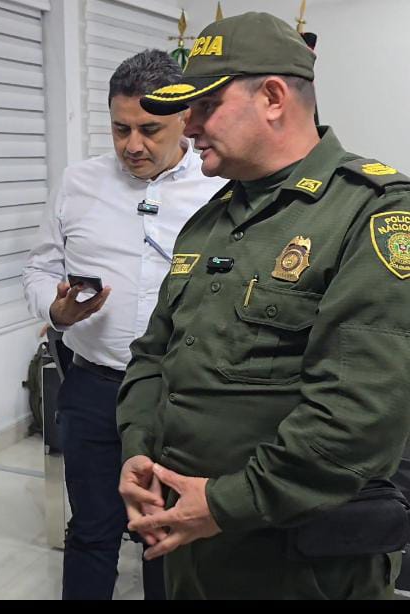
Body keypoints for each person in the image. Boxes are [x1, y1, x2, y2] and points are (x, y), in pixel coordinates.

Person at [119, 12, 410, 599]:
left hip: (296, 561)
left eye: (205, 105)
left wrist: (226, 504)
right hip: (191, 540)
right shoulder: (210, 221)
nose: (188, 125)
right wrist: (137, 453)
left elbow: (358, 416)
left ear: (273, 97)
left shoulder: (371, 213)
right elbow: (154, 355)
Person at [22, 49, 224, 600]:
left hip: (181, 395)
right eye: (120, 128)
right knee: (91, 529)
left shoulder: (221, 188)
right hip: (94, 387)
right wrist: (56, 310)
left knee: (168, 533)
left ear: (186, 118)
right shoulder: (79, 183)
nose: (132, 145)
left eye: (149, 129)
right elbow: (40, 267)